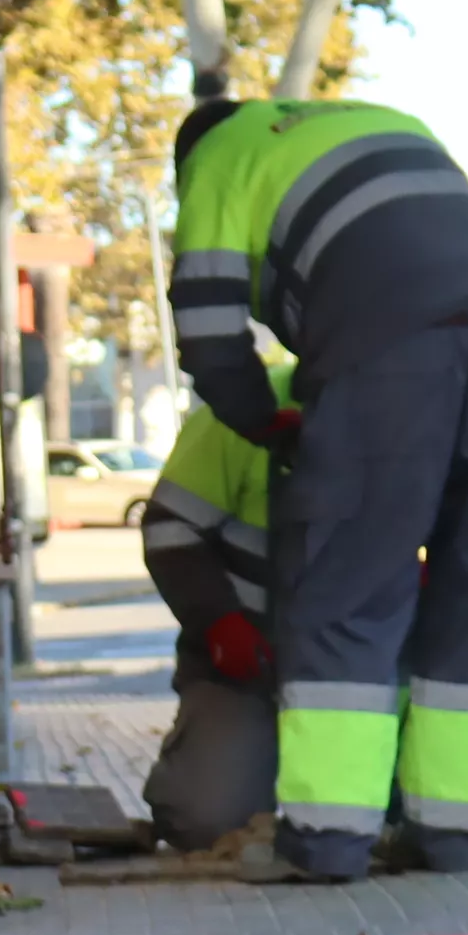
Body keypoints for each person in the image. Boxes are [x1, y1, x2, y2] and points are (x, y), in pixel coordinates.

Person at [167, 95, 468, 880]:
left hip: (390, 347)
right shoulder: (384, 121)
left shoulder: (216, 156)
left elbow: (208, 333)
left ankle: (326, 846)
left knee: (346, 583)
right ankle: (452, 836)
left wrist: (267, 420)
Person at [136, 363, 289, 850]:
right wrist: (220, 622)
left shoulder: (413, 413)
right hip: (250, 671)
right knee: (206, 819)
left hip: (370, 683)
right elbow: (170, 529)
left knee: (380, 815)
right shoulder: (246, 410)